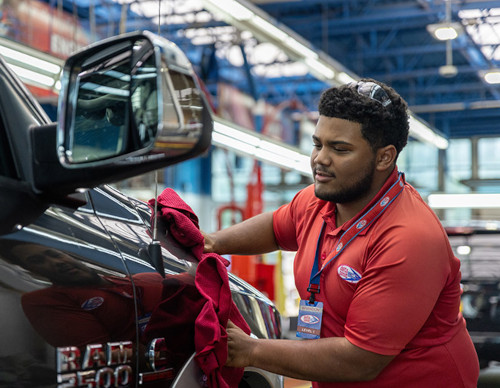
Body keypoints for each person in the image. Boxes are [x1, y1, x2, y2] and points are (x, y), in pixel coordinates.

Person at [203, 79, 479, 387]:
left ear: (384, 157)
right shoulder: (320, 200)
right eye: (318, 144)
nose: (321, 159)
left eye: (340, 149)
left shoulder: (408, 239)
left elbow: (360, 360)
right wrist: (212, 242)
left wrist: (251, 350)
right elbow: (277, 227)